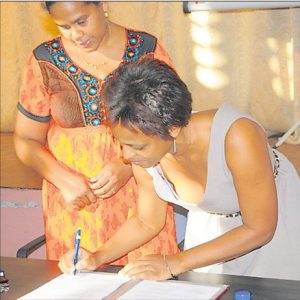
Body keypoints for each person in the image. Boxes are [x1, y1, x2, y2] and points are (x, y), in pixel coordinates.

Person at [59, 57, 300, 280]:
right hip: (213, 230)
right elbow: (146, 221)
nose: (126, 155)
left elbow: (259, 228)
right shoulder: (147, 152)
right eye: (121, 144)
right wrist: (97, 257)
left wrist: (172, 263)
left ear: (172, 129)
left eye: (137, 147)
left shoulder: (237, 136)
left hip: (273, 227)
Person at [14, 2, 179, 264]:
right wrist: (64, 181)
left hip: (141, 192)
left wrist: (127, 163)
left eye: (82, 22)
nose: (76, 34)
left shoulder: (146, 50)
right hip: (75, 202)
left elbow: (171, 125)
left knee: (144, 277)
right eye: (64, 27)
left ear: (102, 5)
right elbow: (26, 140)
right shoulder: (44, 59)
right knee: (79, 277)